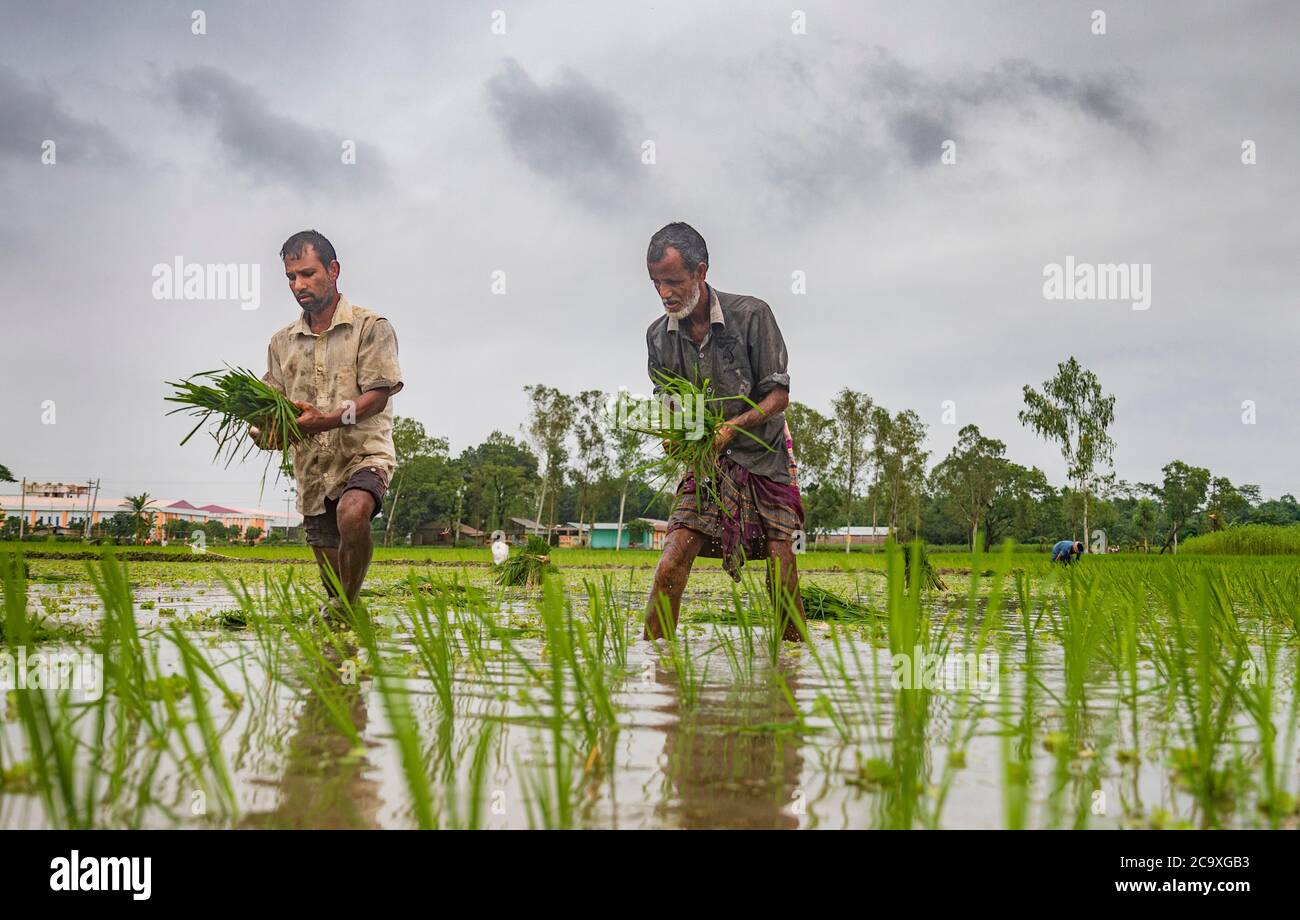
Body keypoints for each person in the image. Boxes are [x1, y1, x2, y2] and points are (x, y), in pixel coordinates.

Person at [640, 222, 807, 642]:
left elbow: (778, 396)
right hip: (709, 462)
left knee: (780, 568)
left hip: (765, 459)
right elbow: (668, 396)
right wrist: (676, 430)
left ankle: (794, 663)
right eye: (656, 282)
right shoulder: (659, 337)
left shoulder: (751, 315)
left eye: (673, 281)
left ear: (701, 272)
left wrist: (733, 427)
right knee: (671, 562)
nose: (664, 293)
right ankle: (659, 671)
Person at [251, 230, 403, 616]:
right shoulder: (281, 343)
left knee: (352, 512)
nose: (298, 285)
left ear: (333, 270)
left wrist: (327, 421)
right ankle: (347, 630)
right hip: (314, 471)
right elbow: (276, 410)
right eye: (291, 277)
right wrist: (264, 431)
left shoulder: (370, 326)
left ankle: (347, 609)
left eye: (307, 274)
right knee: (335, 586)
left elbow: (378, 395)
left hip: (363, 455)